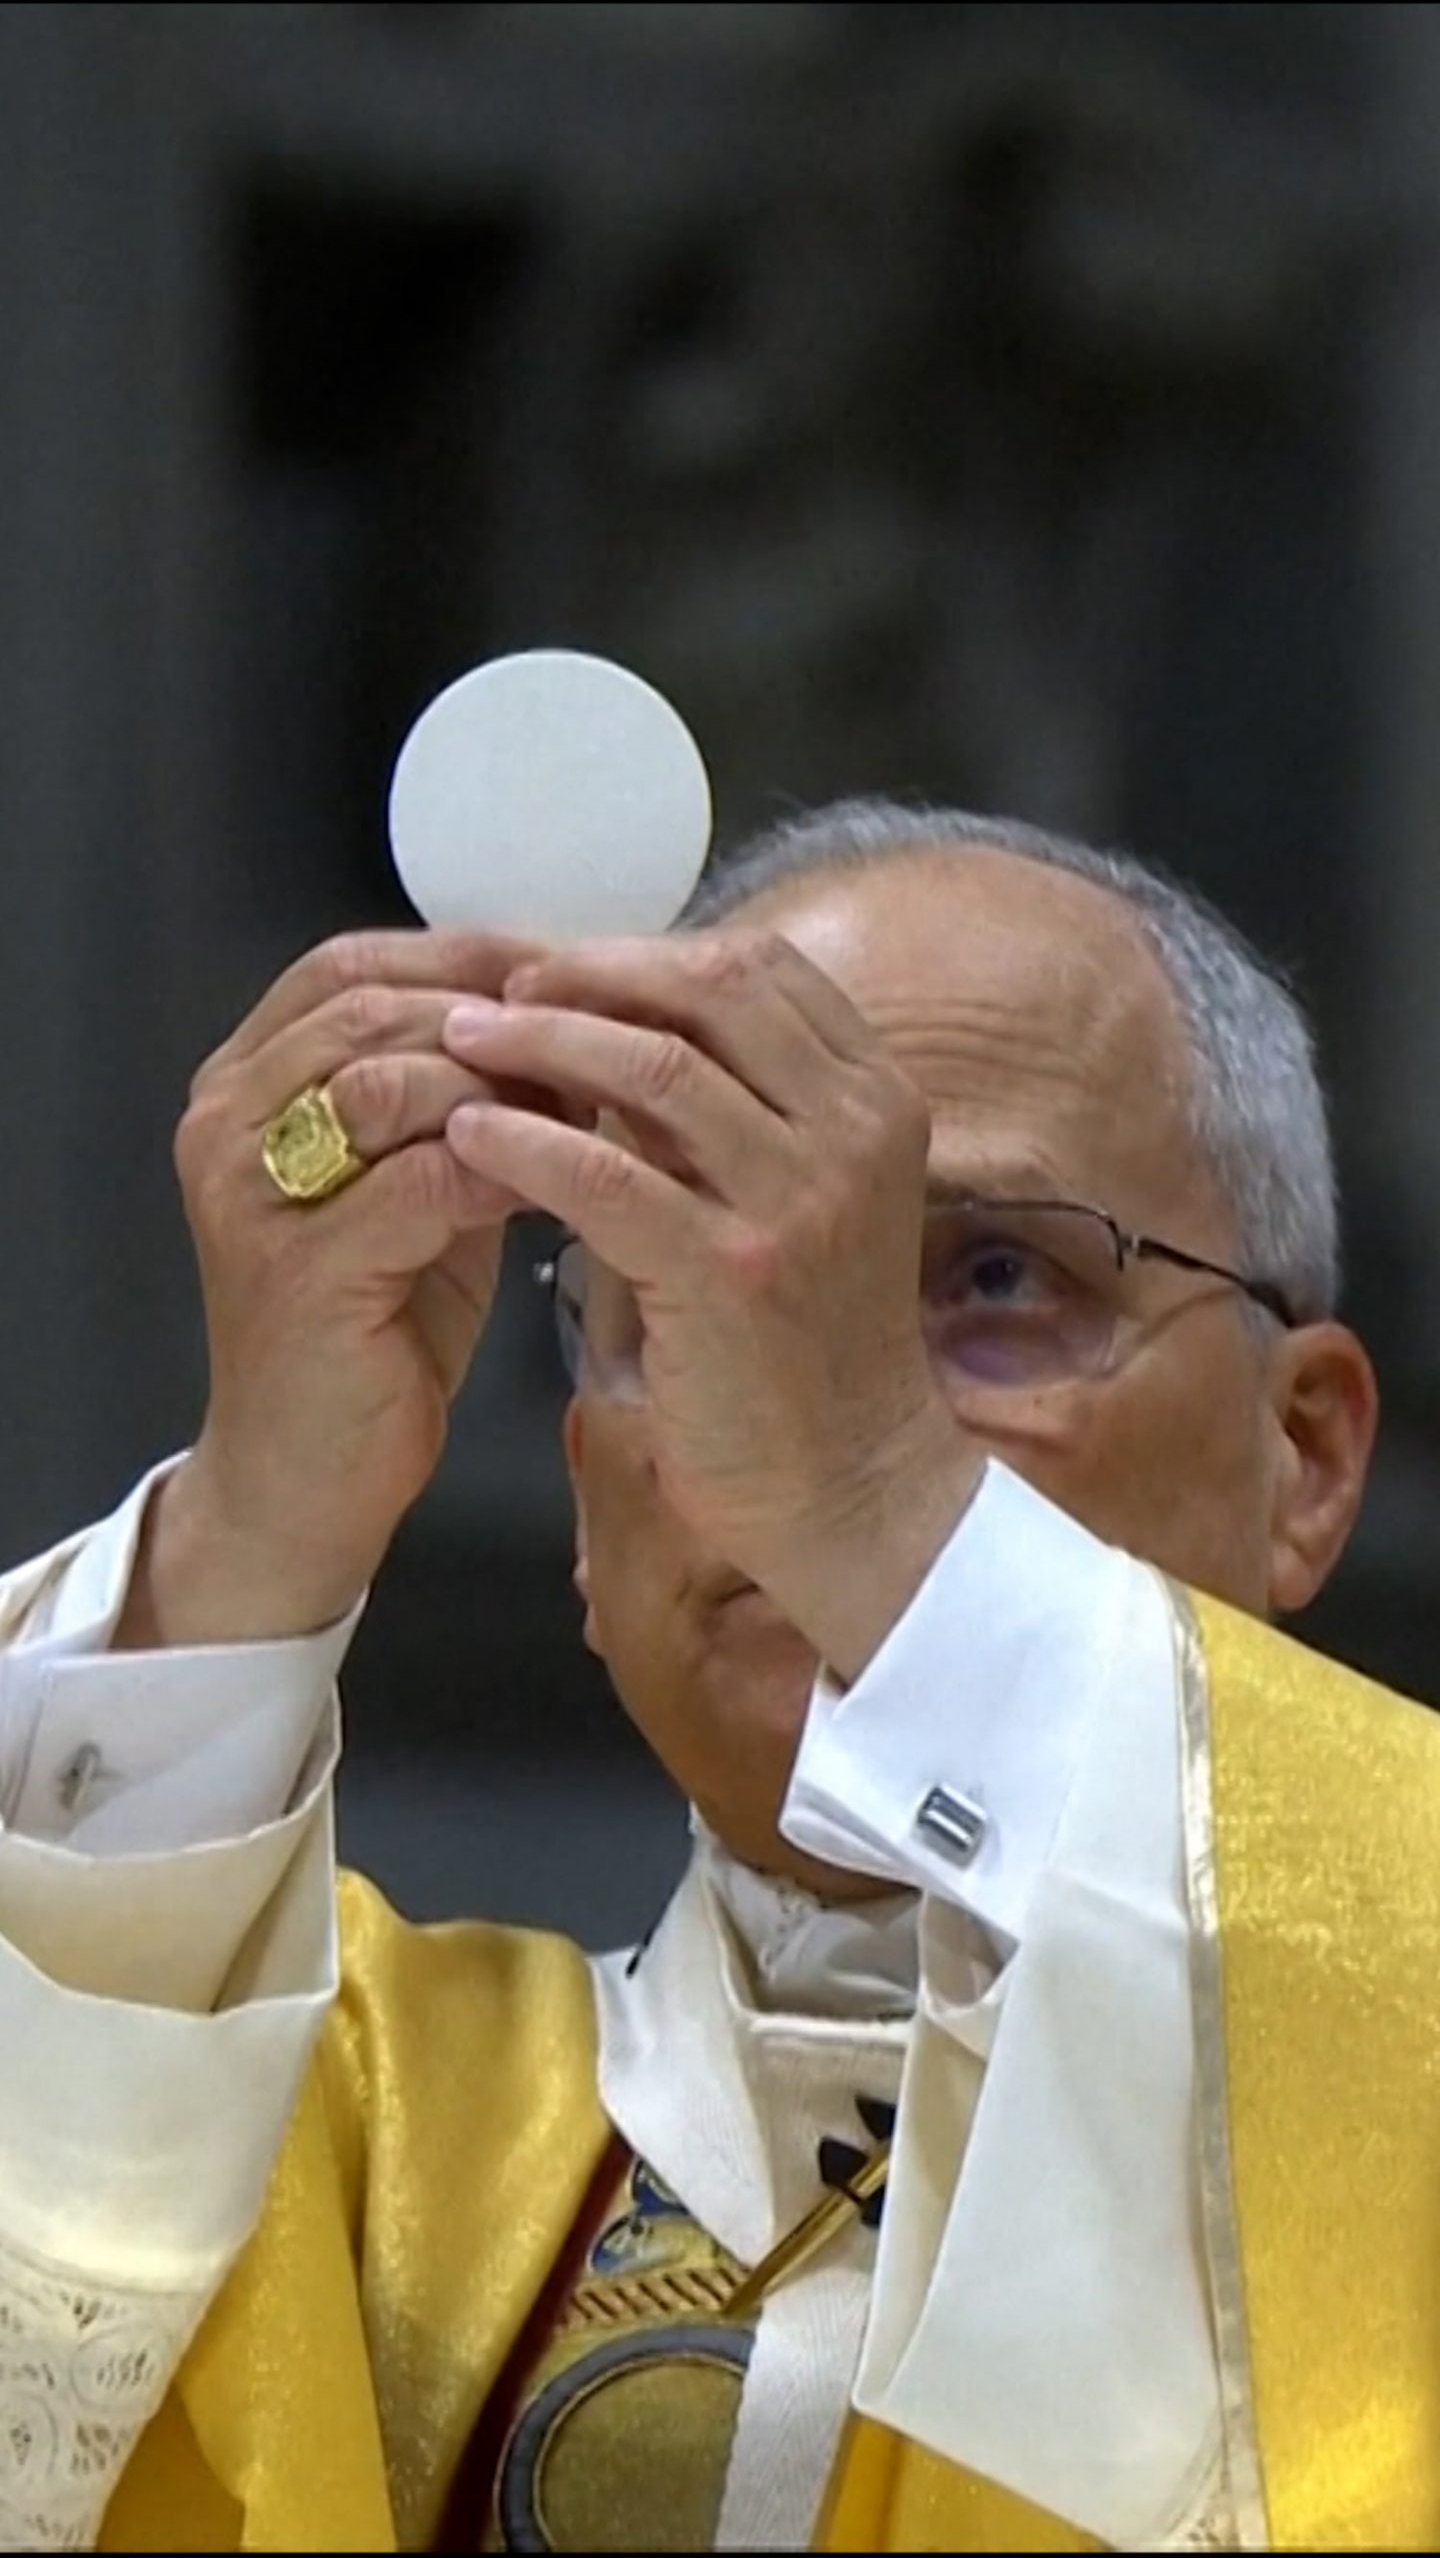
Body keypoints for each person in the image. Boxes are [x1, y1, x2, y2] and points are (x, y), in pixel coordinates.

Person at [0, 799, 1434, 2558]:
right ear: (591, 1498)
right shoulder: (316, 2121)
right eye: (693, 1299)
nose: (804, 1392)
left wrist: (876, 1505)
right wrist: (248, 1530)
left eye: (998, 1276)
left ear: (1305, 1455)